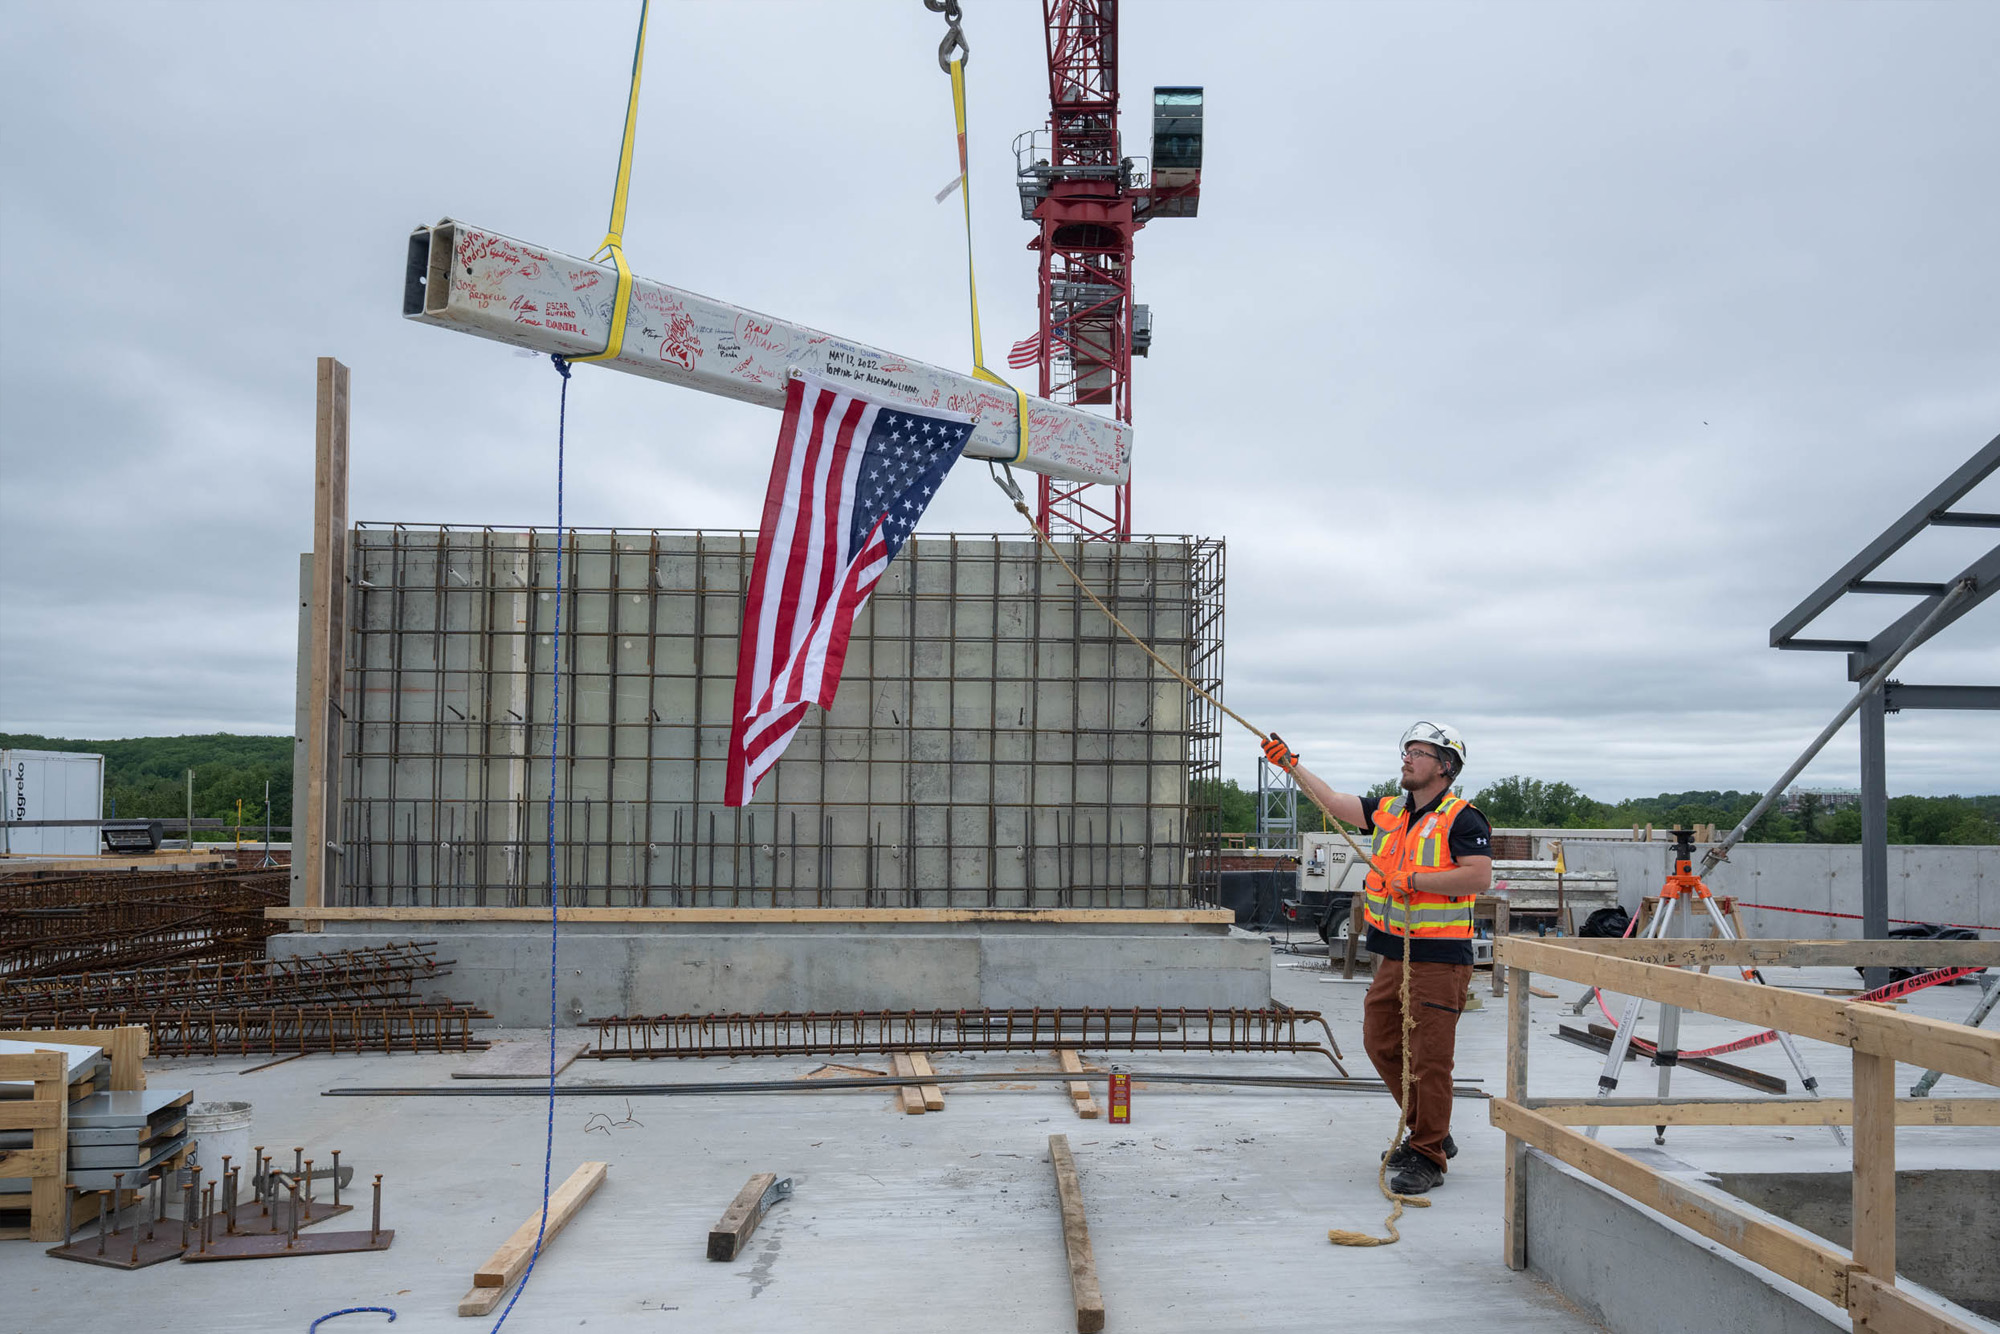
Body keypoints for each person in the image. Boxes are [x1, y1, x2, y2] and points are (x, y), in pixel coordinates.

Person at [1262, 722, 1492, 1195]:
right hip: (1392, 954)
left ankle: (1428, 1153)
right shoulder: (1390, 811)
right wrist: (1292, 765)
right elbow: (1333, 802)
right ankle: (1430, 1128)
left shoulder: (1463, 819)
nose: (1407, 758)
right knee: (1379, 1040)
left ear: (1446, 767)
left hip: (1439, 958)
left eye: (1419, 753)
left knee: (1430, 1059)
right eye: (1406, 750)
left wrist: (1418, 881)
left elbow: (1478, 878)